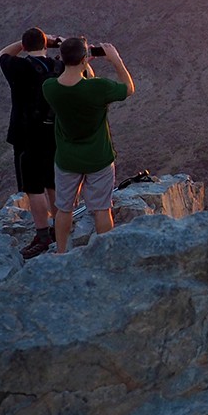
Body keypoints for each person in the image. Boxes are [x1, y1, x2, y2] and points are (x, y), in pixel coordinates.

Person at [42, 37, 135, 254]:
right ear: (84, 59)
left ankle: (62, 252)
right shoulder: (98, 88)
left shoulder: (50, 88)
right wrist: (115, 59)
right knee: (102, 209)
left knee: (63, 209)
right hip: (98, 157)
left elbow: (76, 87)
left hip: (67, 158)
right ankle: (105, 253)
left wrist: (83, 65)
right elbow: (128, 88)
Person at [0, 28, 62, 259]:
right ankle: (60, 227)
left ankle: (43, 235)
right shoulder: (59, 66)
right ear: (46, 45)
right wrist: (59, 44)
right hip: (54, 134)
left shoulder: (19, 67)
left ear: (25, 46)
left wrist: (26, 44)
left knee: (34, 188)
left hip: (26, 136)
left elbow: (2, 54)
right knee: (53, 183)